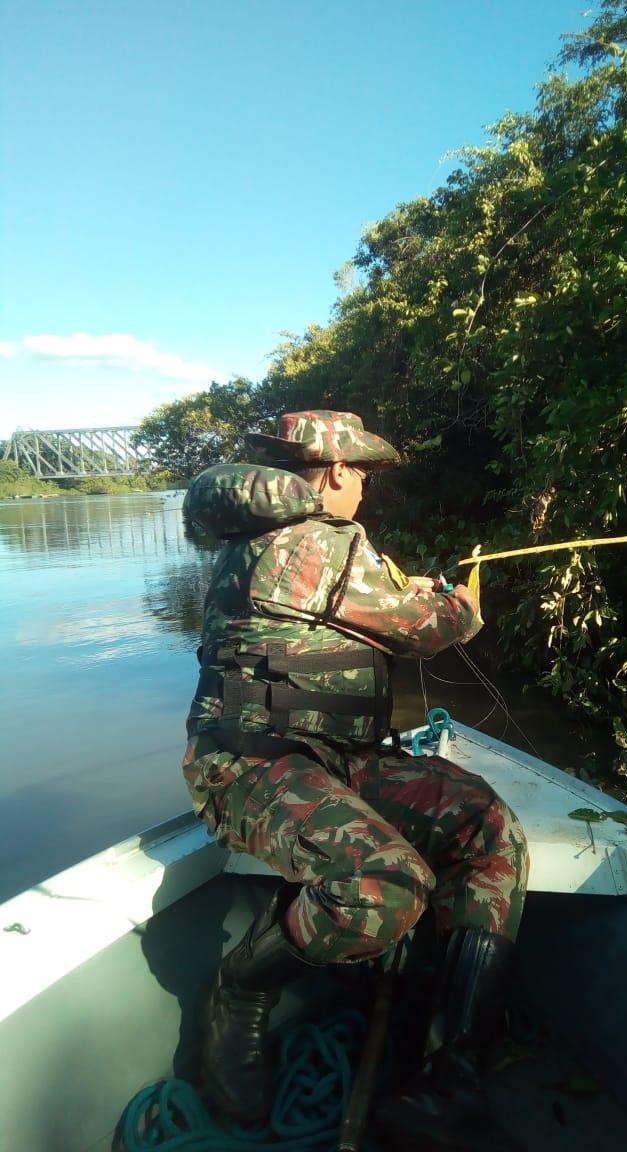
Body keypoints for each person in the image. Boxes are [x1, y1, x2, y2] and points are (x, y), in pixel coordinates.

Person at [181, 410, 529, 1150]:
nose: (366, 485)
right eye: (362, 472)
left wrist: (414, 595)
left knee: (482, 823)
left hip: (329, 758)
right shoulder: (321, 542)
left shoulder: (271, 540)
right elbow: (429, 630)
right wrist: (462, 605)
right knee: (385, 884)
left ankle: (449, 1076)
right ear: (335, 469)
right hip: (249, 765)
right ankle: (241, 988)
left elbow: (356, 611)